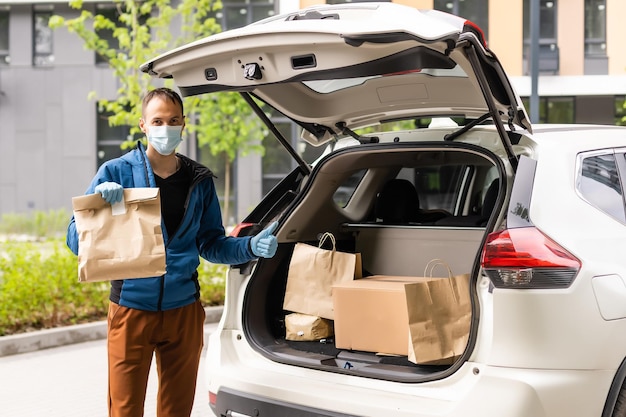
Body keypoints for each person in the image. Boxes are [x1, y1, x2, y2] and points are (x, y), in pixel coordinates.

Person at [66, 87, 278, 417]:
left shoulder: (199, 180)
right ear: (143, 125)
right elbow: (75, 243)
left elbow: (211, 243)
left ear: (184, 124)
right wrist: (97, 207)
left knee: (177, 409)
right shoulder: (115, 173)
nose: (166, 127)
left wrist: (250, 246)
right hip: (131, 309)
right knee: (124, 409)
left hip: (184, 312)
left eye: (173, 120)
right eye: (158, 120)